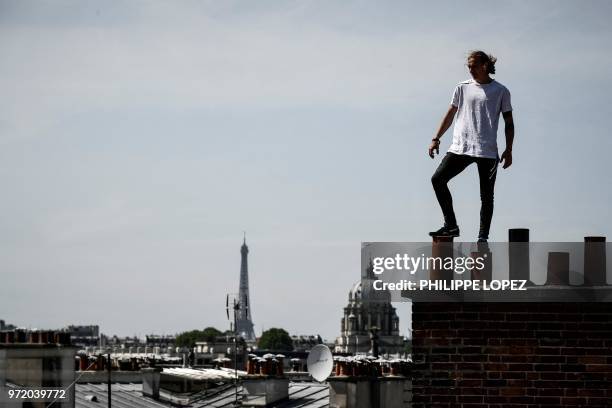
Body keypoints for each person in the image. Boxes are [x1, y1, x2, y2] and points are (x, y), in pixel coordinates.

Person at [428, 50, 514, 242]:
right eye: (468, 66)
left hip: (487, 151)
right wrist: (436, 138)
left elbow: (509, 122)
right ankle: (451, 225)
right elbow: (450, 113)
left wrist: (509, 150)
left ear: (485, 65)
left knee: (487, 196)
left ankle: (483, 237)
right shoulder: (462, 87)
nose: (470, 70)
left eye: (474, 66)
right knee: (437, 180)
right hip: (461, 147)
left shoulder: (501, 91)